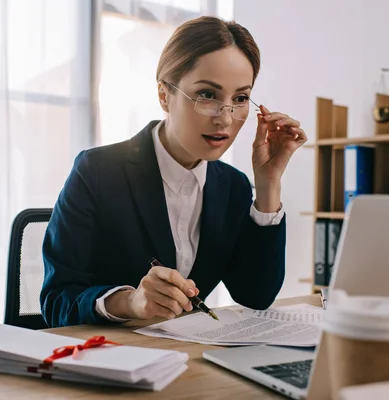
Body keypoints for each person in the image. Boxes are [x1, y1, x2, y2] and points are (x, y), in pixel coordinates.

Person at [40, 16, 307, 327]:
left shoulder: (232, 186)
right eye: (208, 95)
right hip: (109, 357)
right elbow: (55, 300)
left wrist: (268, 183)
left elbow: (256, 295)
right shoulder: (97, 172)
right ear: (165, 95)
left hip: (185, 358)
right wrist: (131, 301)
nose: (225, 118)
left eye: (240, 98)